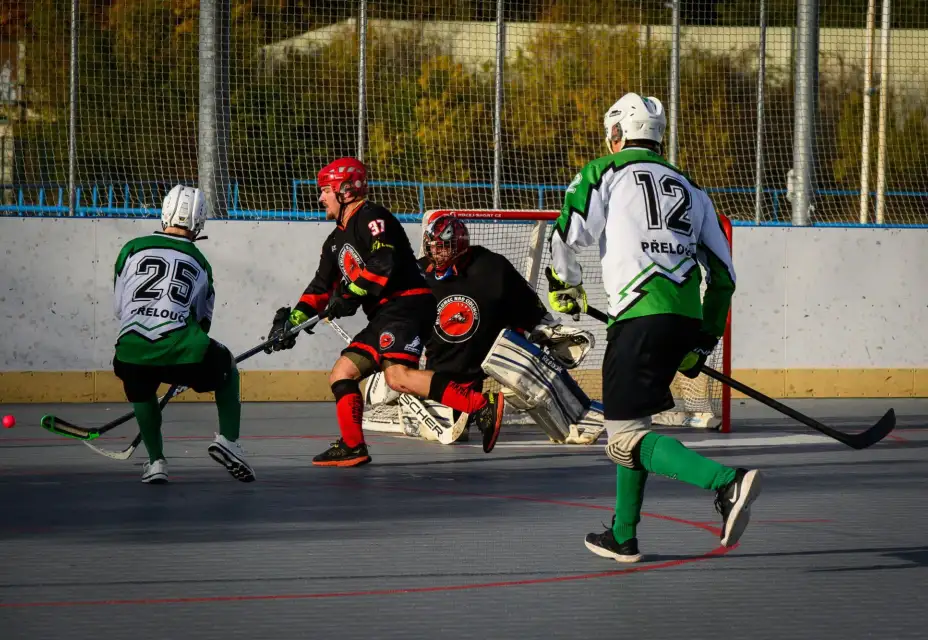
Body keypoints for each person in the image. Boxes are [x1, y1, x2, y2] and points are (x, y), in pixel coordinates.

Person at [546, 93, 761, 562]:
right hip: (683, 318)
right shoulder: (692, 188)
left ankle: (726, 482)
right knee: (634, 426)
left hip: (639, 318)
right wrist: (701, 341)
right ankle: (624, 534)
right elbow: (723, 277)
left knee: (622, 438)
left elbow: (568, 232)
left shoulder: (604, 171)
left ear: (618, 133)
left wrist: (564, 284)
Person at [265, 158, 505, 466]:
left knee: (398, 376)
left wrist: (349, 293)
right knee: (343, 372)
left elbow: (384, 262)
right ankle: (354, 447)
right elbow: (320, 287)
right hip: (384, 314)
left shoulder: (372, 217)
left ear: (345, 190)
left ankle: (480, 406)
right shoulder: (334, 242)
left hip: (406, 304)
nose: (320, 197)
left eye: (325, 190)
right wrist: (293, 322)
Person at [398, 213, 599, 444]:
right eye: (433, 247)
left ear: (461, 245)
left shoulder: (491, 266)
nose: (437, 252)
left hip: (479, 369)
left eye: (444, 247)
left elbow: (526, 304)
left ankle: (570, 418)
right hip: (438, 378)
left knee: (525, 364)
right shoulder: (418, 273)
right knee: (439, 433)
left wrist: (546, 329)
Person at [112, 185, 254, 484]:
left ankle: (156, 462)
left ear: (164, 213)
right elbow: (202, 323)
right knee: (226, 362)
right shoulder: (200, 261)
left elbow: (120, 308)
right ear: (199, 222)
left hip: (130, 350)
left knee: (141, 383)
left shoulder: (131, 248)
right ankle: (229, 440)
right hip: (181, 349)